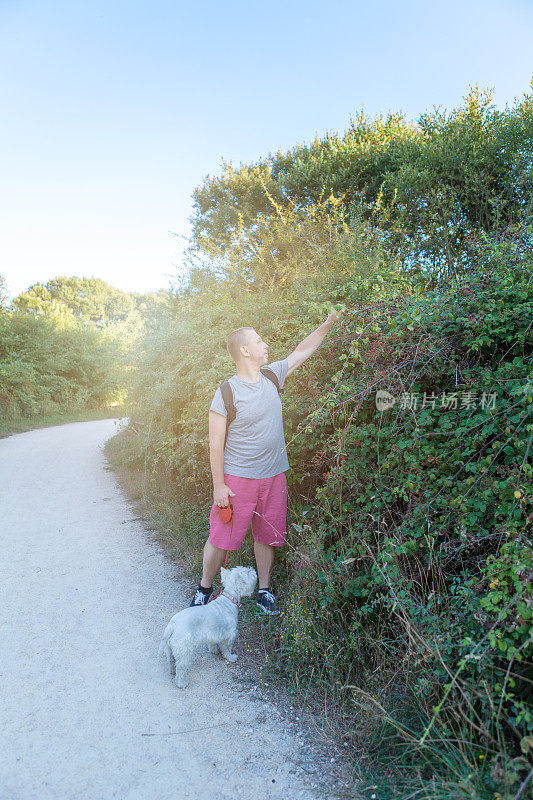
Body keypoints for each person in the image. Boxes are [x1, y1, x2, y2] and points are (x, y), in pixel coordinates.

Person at [189, 307, 341, 614]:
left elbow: (303, 350)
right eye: (259, 341)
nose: (265, 345)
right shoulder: (226, 392)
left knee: (267, 536)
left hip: (274, 476)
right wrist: (219, 485)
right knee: (221, 539)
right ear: (245, 350)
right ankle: (204, 589)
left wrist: (327, 324)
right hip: (237, 480)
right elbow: (215, 441)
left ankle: (264, 590)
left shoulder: (272, 376)